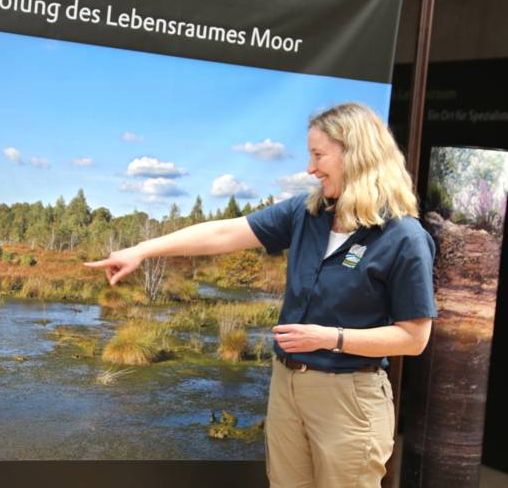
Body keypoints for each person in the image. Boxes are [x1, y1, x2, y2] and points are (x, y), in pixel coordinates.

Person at [85, 102, 436, 488]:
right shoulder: (307, 213)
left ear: (357, 154)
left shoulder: (404, 237)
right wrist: (141, 250)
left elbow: (414, 338)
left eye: (319, 155)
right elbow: (222, 233)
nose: (310, 168)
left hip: (350, 399)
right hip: (287, 387)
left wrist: (331, 338)